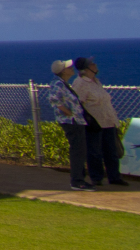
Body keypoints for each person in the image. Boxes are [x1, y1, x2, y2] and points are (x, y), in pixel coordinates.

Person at [72, 56, 128, 188]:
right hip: (94, 124)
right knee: (95, 152)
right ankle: (96, 177)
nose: (95, 64)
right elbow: (77, 104)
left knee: (111, 151)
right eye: (92, 63)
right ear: (86, 69)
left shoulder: (95, 81)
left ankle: (114, 177)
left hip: (108, 122)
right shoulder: (80, 83)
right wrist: (86, 120)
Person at [47, 59, 93, 190]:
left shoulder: (63, 83)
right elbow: (53, 99)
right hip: (71, 122)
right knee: (78, 150)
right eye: (68, 67)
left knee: (80, 150)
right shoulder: (58, 83)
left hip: (76, 121)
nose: (71, 68)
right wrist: (68, 112)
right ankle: (77, 181)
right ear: (63, 71)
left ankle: (79, 178)